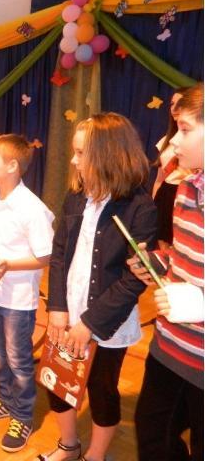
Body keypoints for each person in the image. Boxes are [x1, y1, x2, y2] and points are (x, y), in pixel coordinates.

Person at [37, 113, 157, 461]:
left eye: (80, 153)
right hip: (67, 313)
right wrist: (57, 307)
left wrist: (89, 324)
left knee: (102, 390)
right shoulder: (77, 196)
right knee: (57, 381)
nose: (73, 161)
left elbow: (134, 279)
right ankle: (68, 445)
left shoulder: (140, 208)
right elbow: (60, 253)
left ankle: (96, 455)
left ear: (107, 154)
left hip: (107, 323)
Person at [129, 82, 203, 461]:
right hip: (169, 346)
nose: (174, 141)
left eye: (185, 130)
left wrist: (195, 304)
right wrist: (156, 263)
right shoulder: (186, 188)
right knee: (153, 434)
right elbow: (181, 256)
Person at [0, 134, 54, 452]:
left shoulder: (32, 208)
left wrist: (8, 265)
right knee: (1, 353)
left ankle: (23, 415)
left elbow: (44, 256)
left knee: (18, 359)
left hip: (18, 299)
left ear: (13, 166)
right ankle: (5, 401)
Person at [152, 87, 191, 249]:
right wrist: (154, 203)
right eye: (172, 104)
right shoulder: (166, 140)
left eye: (180, 104)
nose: (174, 108)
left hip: (185, 195)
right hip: (166, 194)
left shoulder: (195, 141)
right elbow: (159, 179)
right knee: (162, 243)